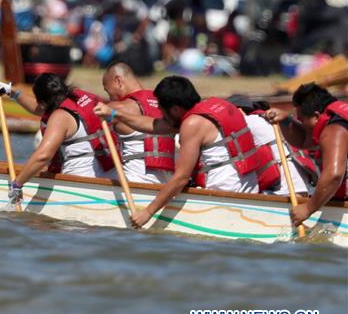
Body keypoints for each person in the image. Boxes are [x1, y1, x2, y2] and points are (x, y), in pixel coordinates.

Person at [94, 76, 268, 228]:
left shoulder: (192, 125)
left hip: (225, 198)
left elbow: (181, 179)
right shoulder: (218, 104)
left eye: (161, 110)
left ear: (175, 109)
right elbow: (153, 125)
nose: (160, 114)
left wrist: (147, 212)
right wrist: (113, 113)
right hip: (250, 191)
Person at [0, 74, 117, 204]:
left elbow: (43, 156)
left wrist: (17, 184)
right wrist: (12, 92)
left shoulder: (60, 117)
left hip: (79, 186)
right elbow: (39, 109)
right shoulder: (78, 99)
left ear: (43, 102)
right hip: (108, 176)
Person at [266, 83, 348, 227]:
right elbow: (304, 140)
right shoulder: (333, 120)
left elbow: (334, 175)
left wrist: (308, 208)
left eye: (301, 120)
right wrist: (286, 120)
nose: (301, 124)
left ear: (316, 116)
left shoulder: (335, 130)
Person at [100, 61, 175, 184]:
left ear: (118, 81)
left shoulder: (116, 108)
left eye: (108, 91)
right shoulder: (166, 105)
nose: (109, 97)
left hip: (134, 183)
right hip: (166, 184)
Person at [227, 95, 314, 197]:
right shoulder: (269, 119)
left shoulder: (249, 122)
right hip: (305, 190)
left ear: (238, 110)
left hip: (286, 192)